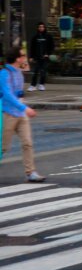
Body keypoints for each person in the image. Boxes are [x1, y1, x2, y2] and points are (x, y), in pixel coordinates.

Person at [1, 47, 45, 182]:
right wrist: (24, 108)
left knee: (27, 143)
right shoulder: (4, 73)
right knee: (3, 147)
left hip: (20, 114)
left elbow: (19, 93)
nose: (25, 57)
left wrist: (23, 107)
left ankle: (30, 172)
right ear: (17, 58)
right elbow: (7, 95)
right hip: (7, 114)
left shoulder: (19, 73)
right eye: (22, 55)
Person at [27, 23, 55, 92]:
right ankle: (33, 85)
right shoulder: (35, 37)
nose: (41, 28)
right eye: (40, 27)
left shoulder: (48, 36)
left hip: (45, 58)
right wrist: (31, 56)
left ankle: (41, 84)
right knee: (35, 71)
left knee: (43, 72)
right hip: (37, 57)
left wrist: (48, 54)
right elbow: (32, 48)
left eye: (42, 27)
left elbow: (52, 46)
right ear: (38, 28)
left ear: (44, 28)